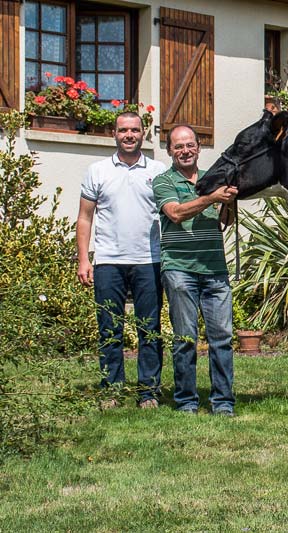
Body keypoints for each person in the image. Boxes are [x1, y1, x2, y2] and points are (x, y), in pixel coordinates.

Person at [77, 112, 167, 409]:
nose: (129, 135)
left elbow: (172, 215)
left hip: (148, 261)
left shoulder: (158, 170)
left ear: (144, 134)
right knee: (108, 328)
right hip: (107, 261)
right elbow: (84, 218)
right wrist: (83, 260)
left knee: (149, 328)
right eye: (123, 130)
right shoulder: (97, 171)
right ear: (113, 134)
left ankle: (148, 392)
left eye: (135, 130)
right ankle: (111, 390)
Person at [153, 125, 238, 416]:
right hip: (180, 269)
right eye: (178, 146)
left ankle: (223, 402)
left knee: (222, 340)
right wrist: (213, 198)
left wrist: (229, 202)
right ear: (170, 151)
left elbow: (225, 222)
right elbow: (175, 213)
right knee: (185, 339)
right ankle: (187, 401)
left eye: (190, 145)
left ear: (199, 148)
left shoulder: (211, 180)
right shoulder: (163, 181)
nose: (185, 151)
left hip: (215, 269)